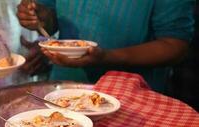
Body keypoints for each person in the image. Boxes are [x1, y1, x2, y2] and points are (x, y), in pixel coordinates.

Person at [17, 0, 195, 93]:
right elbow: (49, 18)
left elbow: (175, 45)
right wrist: (37, 16)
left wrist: (107, 57)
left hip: (134, 102)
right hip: (63, 90)